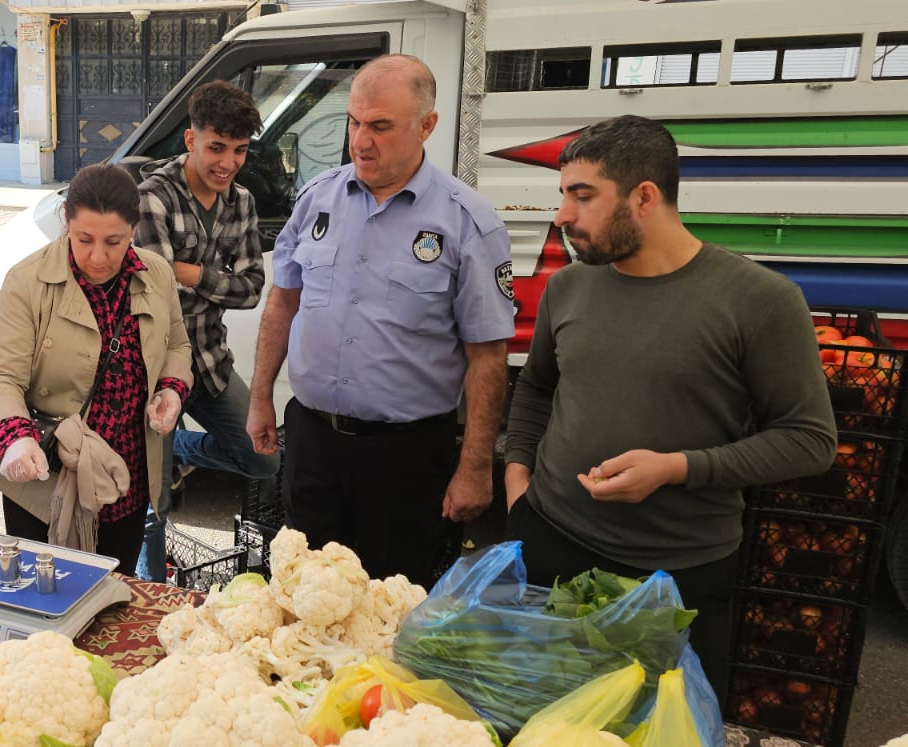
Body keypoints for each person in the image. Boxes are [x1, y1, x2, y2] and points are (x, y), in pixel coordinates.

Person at [502, 114, 837, 695]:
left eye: (583, 197)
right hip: (550, 541)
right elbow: (535, 387)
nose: (562, 217)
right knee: (536, 718)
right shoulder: (569, 288)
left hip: (675, 576)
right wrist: (517, 489)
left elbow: (810, 439)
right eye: (563, 196)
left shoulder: (761, 301)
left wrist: (676, 468)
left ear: (645, 197)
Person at [244, 54, 514, 585]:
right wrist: (259, 398)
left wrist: (476, 467)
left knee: (390, 607)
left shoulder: (467, 222)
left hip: (404, 459)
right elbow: (283, 302)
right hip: (313, 444)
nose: (361, 141)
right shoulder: (317, 200)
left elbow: (488, 357)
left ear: (426, 125)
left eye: (381, 126)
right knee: (303, 598)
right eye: (354, 122)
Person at [0, 164, 193, 574]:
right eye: (84, 239)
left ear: (134, 229)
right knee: (45, 597)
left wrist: (171, 389)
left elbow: (177, 345)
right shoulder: (27, 282)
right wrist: (17, 441)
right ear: (66, 223)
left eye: (114, 241)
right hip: (49, 478)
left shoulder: (157, 274)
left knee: (112, 590)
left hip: (126, 475)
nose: (98, 256)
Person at [132, 80, 278, 582]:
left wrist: (192, 273)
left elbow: (253, 288)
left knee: (264, 459)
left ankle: (178, 449)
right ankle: (152, 601)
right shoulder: (152, 198)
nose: (229, 162)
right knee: (155, 508)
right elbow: (158, 290)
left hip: (211, 360)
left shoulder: (241, 203)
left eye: (239, 151)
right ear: (191, 139)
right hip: (155, 370)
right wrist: (213, 281)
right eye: (217, 147)